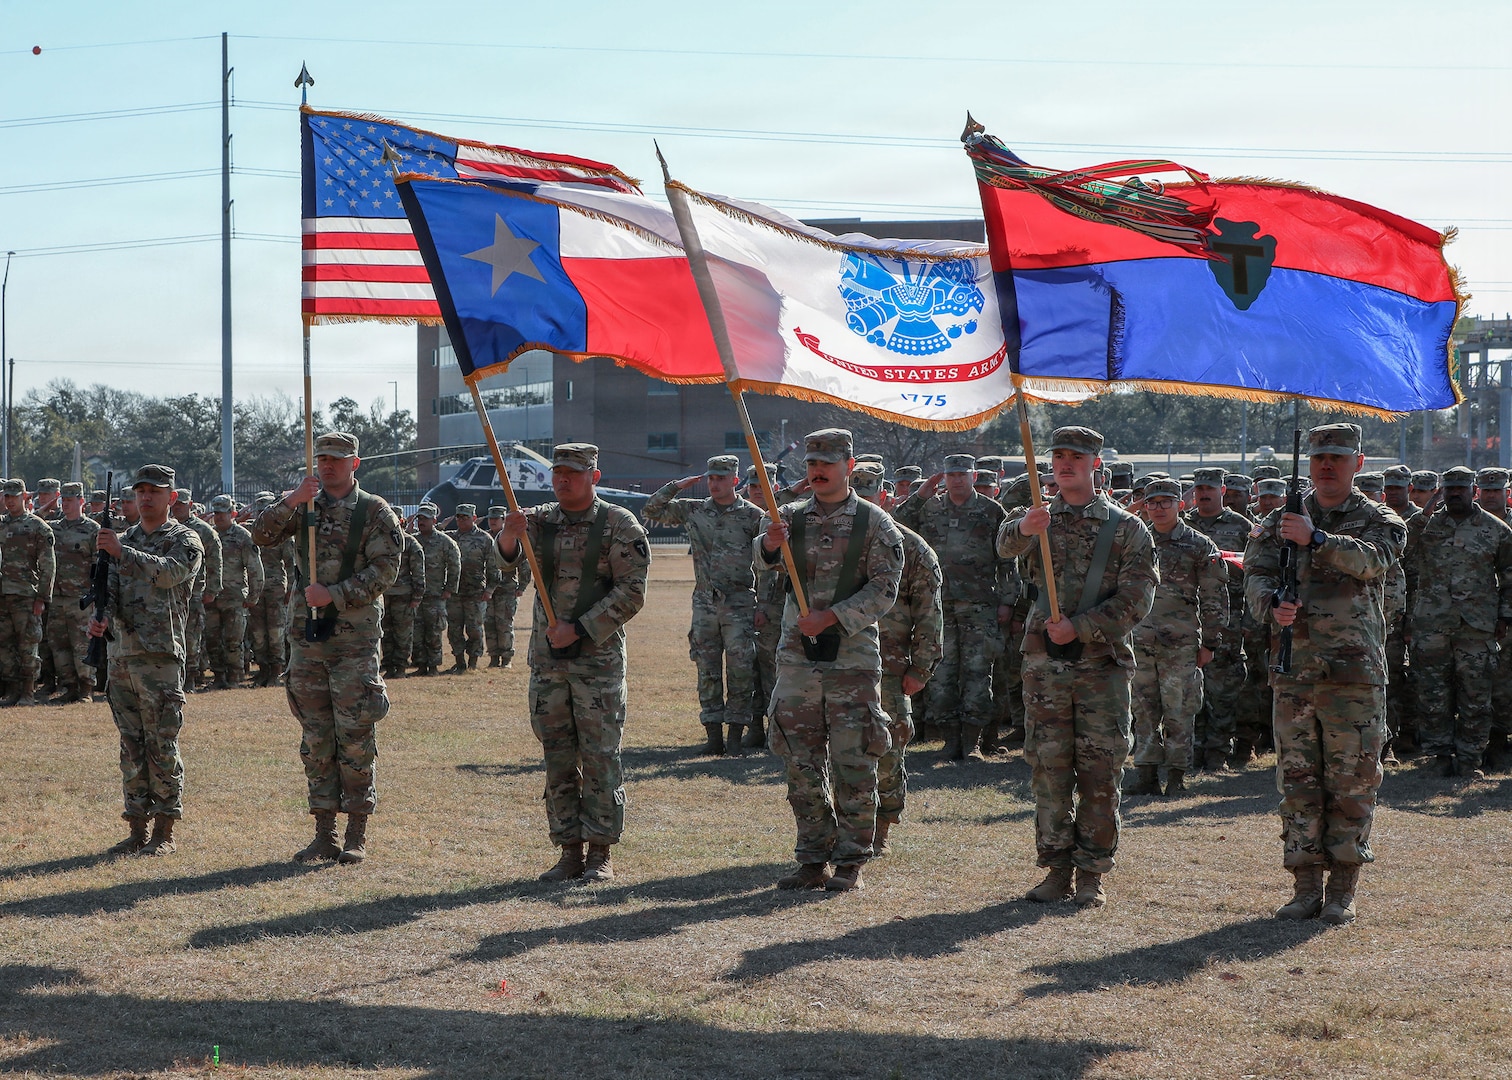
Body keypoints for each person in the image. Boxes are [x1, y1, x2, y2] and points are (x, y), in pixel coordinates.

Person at [1244, 423, 1406, 925]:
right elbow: (1255, 576)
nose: (1327, 466)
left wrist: (1317, 539)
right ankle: (1305, 885)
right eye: (1319, 458)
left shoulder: (1380, 519)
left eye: (1338, 457)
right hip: (1295, 673)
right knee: (1298, 780)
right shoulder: (1277, 521)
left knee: (1353, 781)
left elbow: (1375, 561)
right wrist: (1272, 605)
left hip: (1353, 674)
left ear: (1359, 463)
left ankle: (1342, 887)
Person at [997, 426, 1156, 909]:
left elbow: (1138, 598)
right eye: (1058, 456)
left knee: (1100, 771)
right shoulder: (1037, 518)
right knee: (1049, 768)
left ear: (1096, 461)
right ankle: (1056, 868)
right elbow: (1003, 547)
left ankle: (1091, 872)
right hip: (1044, 666)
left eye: (1076, 456)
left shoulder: (1127, 528)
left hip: (1099, 667)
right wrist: (1024, 528)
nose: (1065, 464)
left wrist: (1082, 627)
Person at [758, 429, 903, 892]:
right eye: (812, 463)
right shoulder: (790, 519)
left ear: (849, 464)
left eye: (828, 462)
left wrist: (833, 617)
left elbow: (885, 589)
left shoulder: (875, 524)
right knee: (799, 760)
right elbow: (759, 567)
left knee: (853, 758)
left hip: (851, 660)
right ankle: (811, 857)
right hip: (797, 660)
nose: (818, 470)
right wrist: (767, 546)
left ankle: (850, 860)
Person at [497, 443, 650, 883]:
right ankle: (568, 849)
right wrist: (508, 537)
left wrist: (579, 628)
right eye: (558, 472)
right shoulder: (538, 520)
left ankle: (600, 851)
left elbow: (632, 592)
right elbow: (507, 567)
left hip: (596, 662)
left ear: (594, 477)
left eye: (573, 473)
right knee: (557, 756)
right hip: (548, 663)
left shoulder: (619, 525)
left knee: (600, 756)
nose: (563, 480)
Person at [252, 431, 402, 865]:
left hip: (353, 641)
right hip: (306, 638)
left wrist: (335, 593)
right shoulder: (305, 506)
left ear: (355, 463)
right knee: (315, 735)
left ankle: (356, 830)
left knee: (354, 734)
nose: (329, 465)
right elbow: (261, 535)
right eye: (322, 458)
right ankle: (324, 831)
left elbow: (386, 569)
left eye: (338, 459)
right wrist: (292, 501)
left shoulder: (375, 512)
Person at [89, 464, 204, 855]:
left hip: (160, 657)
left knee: (161, 744)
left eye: (154, 491)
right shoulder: (120, 541)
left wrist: (123, 551)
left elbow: (171, 574)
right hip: (122, 655)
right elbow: (113, 588)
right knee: (131, 745)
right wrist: (100, 617)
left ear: (171, 497)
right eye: (140, 491)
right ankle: (136, 826)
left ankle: (164, 832)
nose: (145, 497)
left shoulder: (185, 539)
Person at [642, 455, 766, 755]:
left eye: (721, 478)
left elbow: (768, 563)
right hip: (704, 603)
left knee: (740, 670)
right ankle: (713, 736)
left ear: (735, 481)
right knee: (706, 669)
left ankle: (736, 735)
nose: (714, 483)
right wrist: (677, 485)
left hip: (740, 602)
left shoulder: (752, 515)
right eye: (711, 478)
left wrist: (762, 605)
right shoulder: (693, 510)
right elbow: (650, 510)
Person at [895, 455, 1012, 760]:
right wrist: (920, 495)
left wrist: (1007, 601)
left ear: (974, 476)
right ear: (944, 478)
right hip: (938, 605)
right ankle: (949, 738)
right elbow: (896, 524)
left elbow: (1008, 560)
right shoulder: (931, 508)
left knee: (978, 672)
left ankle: (973, 741)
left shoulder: (991, 510)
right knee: (941, 673)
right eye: (952, 474)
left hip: (980, 605)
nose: (957, 479)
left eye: (963, 474)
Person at [852, 462, 941, 854]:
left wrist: (921, 669)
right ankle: (850, 827)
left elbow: (929, 613)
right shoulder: (836, 541)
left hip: (890, 668)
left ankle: (883, 825)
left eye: (870, 496)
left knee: (889, 747)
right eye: (856, 497)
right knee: (843, 749)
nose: (862, 505)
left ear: (886, 496)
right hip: (842, 662)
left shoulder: (912, 547)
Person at [1403, 466, 1512, 779]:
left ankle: (1469, 759)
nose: (1454, 493)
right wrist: (1424, 512)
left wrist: (1505, 615)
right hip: (1432, 624)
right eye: (1449, 488)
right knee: (1432, 693)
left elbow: (1509, 576)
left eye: (1460, 488)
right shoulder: (1428, 525)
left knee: (1475, 695)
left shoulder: (1496, 529)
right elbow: (1402, 548)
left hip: (1477, 626)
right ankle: (1440, 756)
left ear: (1472, 491)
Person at [1124, 479, 1227, 797]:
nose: (1158, 508)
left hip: (1181, 642)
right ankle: (1145, 774)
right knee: (1143, 709)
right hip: (1140, 638)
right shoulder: (1136, 540)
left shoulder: (1198, 544)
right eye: (1152, 503)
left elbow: (1214, 594)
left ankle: (1178, 775)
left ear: (1180, 505)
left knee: (1180, 709)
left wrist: (1211, 641)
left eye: (1166, 502)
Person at [1183, 467, 1252, 771]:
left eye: (1210, 488)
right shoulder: (1184, 526)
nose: (1204, 493)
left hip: (1229, 619)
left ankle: (1219, 751)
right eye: (1199, 489)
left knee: (1223, 686)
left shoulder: (1242, 527)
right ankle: (1194, 748)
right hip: (1188, 619)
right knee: (1191, 686)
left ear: (1222, 491)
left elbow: (1257, 571)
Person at [0, 478, 56, 706]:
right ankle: (12, 690)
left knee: (28, 646)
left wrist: (42, 597)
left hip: (26, 595)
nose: (10, 500)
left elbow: (48, 565)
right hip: (3, 595)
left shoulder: (38, 527)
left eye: (14, 496)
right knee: (5, 646)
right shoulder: (1, 524)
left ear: (25, 497)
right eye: (6, 496)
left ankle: (28, 692)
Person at [46, 482, 102, 704]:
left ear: (81, 502)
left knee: (82, 644)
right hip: (57, 597)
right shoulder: (53, 528)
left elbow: (99, 565)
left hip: (81, 598)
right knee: (59, 644)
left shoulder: (92, 530)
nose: (66, 504)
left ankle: (86, 688)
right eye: (64, 500)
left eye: (70, 500)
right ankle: (68, 686)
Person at [743, 465, 785, 751]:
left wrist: (764, 605)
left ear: (776, 486)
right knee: (750, 670)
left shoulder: (780, 517)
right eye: (754, 486)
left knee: (773, 668)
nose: (759, 490)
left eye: (764, 485)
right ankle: (754, 727)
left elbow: (770, 572)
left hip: (774, 607)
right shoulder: (741, 513)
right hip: (745, 603)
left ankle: (774, 731)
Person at [207, 494, 264, 689]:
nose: (219, 517)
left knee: (233, 640)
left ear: (232, 513)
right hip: (212, 597)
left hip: (234, 597)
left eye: (223, 513)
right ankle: (218, 677)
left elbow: (255, 567)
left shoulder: (242, 536)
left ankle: (234, 678)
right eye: (216, 513)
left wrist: (253, 595)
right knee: (212, 639)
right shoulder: (209, 535)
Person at [170, 489, 222, 692]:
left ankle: (190, 677)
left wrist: (212, 588)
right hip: (171, 592)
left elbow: (215, 560)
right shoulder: (168, 527)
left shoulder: (203, 530)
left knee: (191, 637)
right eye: (175, 505)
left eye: (181, 505)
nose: (178, 509)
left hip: (194, 592)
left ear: (190, 505)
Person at [249, 492, 297, 686]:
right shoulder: (253, 532)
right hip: (257, 589)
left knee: (276, 631)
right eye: (259, 511)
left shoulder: (282, 534)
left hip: (276, 588)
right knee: (258, 633)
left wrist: (290, 590)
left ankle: (276, 672)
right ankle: (263, 669)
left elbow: (291, 563)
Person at [444, 504, 498, 673]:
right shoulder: (450, 537)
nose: (461, 520)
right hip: (455, 592)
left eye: (465, 517)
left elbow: (493, 566)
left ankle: (473, 662)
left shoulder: (485, 539)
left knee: (474, 629)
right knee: (454, 629)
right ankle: (459, 662)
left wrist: (490, 589)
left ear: (474, 518)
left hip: (476, 592)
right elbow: (431, 535)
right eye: (459, 517)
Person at [412, 504, 459, 676]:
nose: (422, 522)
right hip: (416, 595)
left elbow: (455, 566)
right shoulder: (413, 540)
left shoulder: (445, 542)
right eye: (420, 519)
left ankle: (433, 666)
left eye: (425, 518)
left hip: (435, 594)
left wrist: (449, 589)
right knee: (417, 632)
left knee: (433, 632)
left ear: (434, 520)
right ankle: (420, 665)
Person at [484, 506, 529, 668]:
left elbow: (524, 564)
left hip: (507, 589)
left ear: (504, 520)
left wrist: (522, 586)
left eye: (496, 519)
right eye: (491, 518)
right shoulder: (485, 537)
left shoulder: (512, 537)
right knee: (489, 624)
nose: (493, 521)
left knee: (504, 624)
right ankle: (494, 657)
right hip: (487, 591)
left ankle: (507, 658)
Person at [381, 519, 425, 679]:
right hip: (385, 594)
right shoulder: (382, 540)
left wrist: (417, 597)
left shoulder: (410, 543)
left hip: (404, 596)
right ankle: (388, 664)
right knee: (386, 632)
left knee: (403, 633)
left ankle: (400, 666)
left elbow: (418, 572)